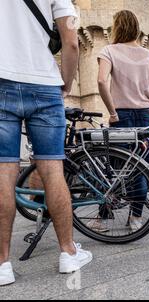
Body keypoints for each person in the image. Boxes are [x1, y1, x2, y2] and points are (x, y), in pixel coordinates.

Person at [0, 0, 92, 286]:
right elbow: (71, 40)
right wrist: (64, 82)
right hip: (44, 85)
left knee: (4, 171)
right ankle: (67, 253)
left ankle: (2, 264)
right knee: (53, 169)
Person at [97, 10, 149, 232]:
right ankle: (135, 219)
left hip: (121, 115)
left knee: (113, 167)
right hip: (145, 115)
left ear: (116, 27)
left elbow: (101, 81)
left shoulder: (109, 50)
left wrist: (112, 112)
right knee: (140, 166)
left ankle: (104, 218)